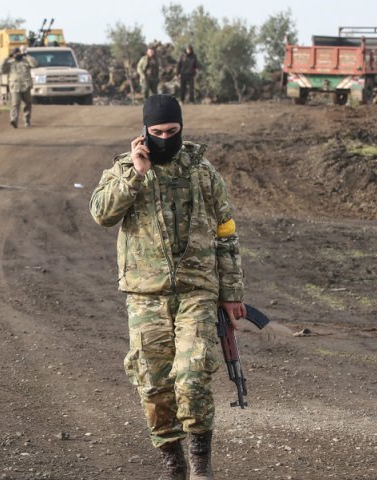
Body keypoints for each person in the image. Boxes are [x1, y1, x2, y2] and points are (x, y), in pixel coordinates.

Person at [90, 94, 245, 480]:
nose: (164, 138)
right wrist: (135, 174)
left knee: (192, 378)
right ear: (143, 131)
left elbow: (226, 231)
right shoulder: (125, 170)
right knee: (155, 387)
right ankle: (173, 467)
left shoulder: (203, 172)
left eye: (171, 131)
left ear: (181, 128)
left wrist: (232, 293)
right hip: (145, 295)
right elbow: (101, 215)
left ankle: (200, 467)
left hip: (197, 291)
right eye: (156, 132)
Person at [0, 46, 38, 128]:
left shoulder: (26, 61)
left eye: (18, 53)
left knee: (28, 103)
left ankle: (27, 120)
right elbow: (2, 69)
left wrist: (26, 55)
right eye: (15, 54)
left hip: (26, 86)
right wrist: (7, 57)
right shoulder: (10, 63)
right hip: (15, 87)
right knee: (15, 103)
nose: (17, 55)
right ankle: (14, 120)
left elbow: (35, 64)